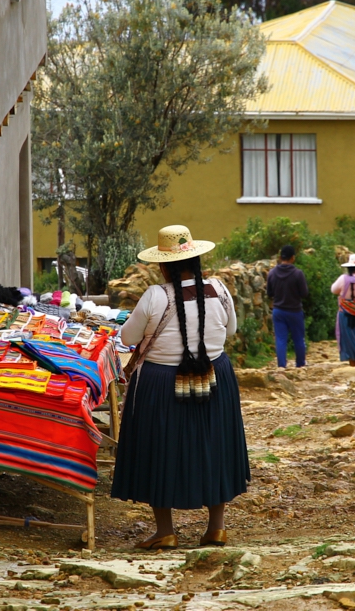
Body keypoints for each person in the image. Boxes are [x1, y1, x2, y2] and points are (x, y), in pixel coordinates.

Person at [111, 225, 250, 550]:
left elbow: (128, 339)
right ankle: (216, 528)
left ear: (163, 266)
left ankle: (166, 531)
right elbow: (230, 331)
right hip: (215, 377)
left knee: (159, 449)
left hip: (161, 384)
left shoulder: (154, 297)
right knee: (215, 446)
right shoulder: (219, 290)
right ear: (196, 260)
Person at [266, 245, 309, 369]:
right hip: (295, 311)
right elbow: (304, 293)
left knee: (280, 339)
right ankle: (300, 365)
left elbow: (269, 293)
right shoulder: (298, 274)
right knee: (298, 339)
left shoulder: (272, 273)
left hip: (278, 311)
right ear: (293, 258)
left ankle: (281, 366)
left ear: (280, 257)